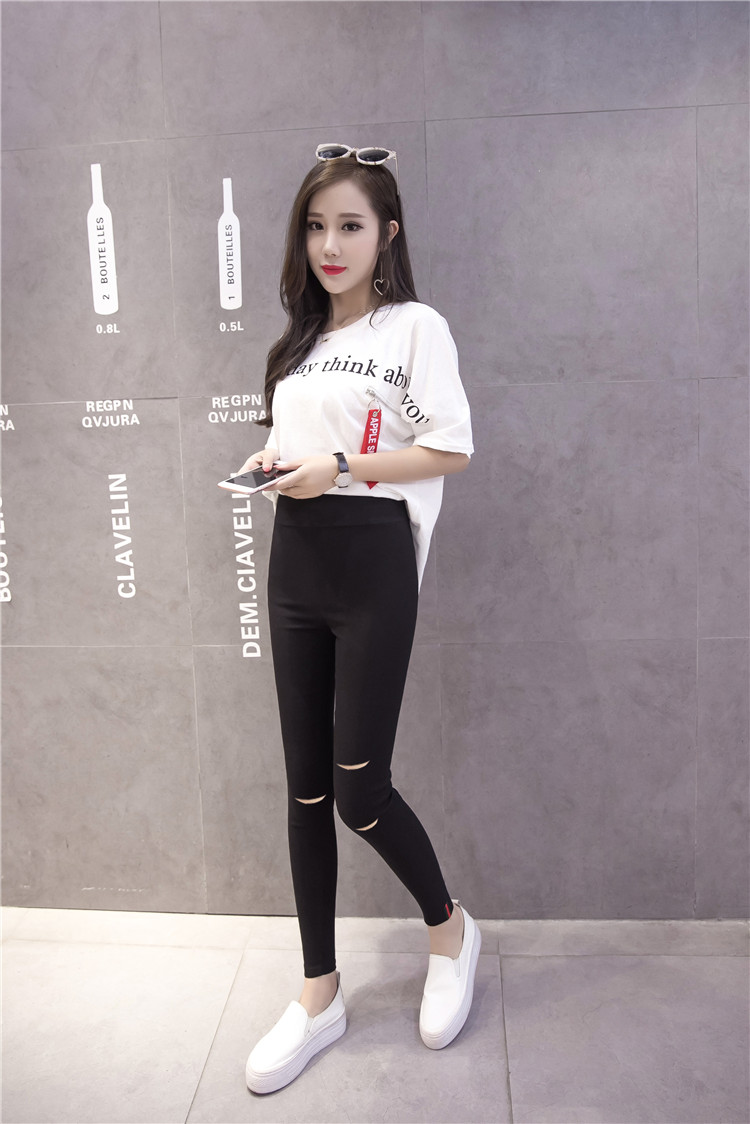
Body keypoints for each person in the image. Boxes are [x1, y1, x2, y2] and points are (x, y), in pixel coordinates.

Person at [237, 143, 480, 1095]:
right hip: (295, 559)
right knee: (303, 790)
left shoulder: (414, 327)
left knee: (358, 790)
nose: (330, 244)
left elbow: (448, 449)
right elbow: (298, 440)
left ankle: (450, 931)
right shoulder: (299, 341)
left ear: (387, 234)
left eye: (349, 225)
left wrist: (340, 467)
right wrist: (273, 463)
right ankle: (319, 994)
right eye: (315, 225)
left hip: (373, 560)